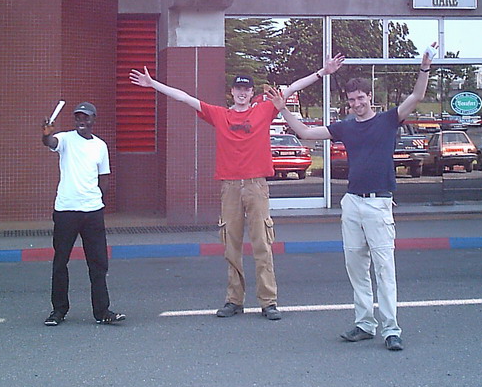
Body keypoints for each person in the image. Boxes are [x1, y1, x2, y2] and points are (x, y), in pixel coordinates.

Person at [129, 56, 344, 320]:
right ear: (232, 92)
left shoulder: (264, 109)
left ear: (252, 93)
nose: (242, 93)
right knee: (231, 246)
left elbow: (293, 88)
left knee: (262, 244)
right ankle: (234, 300)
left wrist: (323, 71)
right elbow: (184, 97)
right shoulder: (220, 115)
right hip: (230, 187)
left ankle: (269, 302)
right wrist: (154, 84)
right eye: (238, 89)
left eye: (247, 89)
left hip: (256, 186)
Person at [266, 45, 434, 351]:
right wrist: (283, 108)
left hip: (379, 203)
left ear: (370, 98)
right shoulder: (344, 128)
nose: (356, 103)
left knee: (384, 268)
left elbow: (417, 97)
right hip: (353, 203)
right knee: (356, 266)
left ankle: (391, 329)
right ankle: (364, 324)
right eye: (351, 100)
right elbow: (304, 132)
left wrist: (423, 68)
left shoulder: (387, 120)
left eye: (361, 98)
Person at [41, 101, 125, 327]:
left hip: (92, 212)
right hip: (66, 210)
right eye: (78, 117)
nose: (82, 121)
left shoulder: (100, 146)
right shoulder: (66, 139)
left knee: (98, 263)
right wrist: (46, 133)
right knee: (60, 262)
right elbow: (50, 141)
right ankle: (58, 311)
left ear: (93, 120)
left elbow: (104, 177)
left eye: (86, 118)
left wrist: (98, 198)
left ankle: (102, 311)